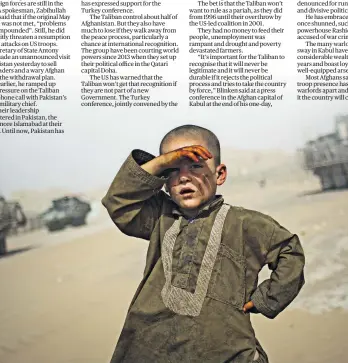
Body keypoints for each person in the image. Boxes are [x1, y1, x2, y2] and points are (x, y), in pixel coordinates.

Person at [101, 125, 305, 363]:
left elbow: (289, 251)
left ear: (220, 174)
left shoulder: (245, 223)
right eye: (173, 170)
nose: (184, 177)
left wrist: (267, 299)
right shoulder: (159, 217)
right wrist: (161, 162)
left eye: (196, 165)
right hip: (151, 349)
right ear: (165, 181)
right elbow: (118, 202)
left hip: (226, 352)